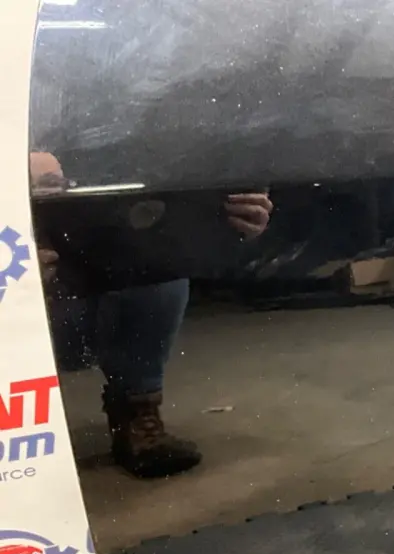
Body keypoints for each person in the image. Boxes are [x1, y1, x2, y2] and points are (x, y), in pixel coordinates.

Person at [29, 152, 273, 479]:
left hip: (84, 281)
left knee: (161, 273)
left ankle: (137, 411)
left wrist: (236, 230)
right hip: (27, 299)